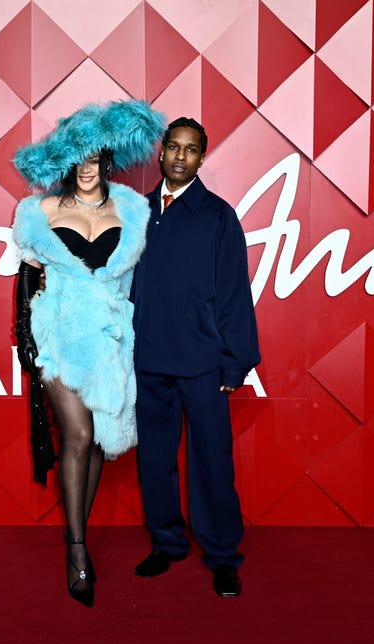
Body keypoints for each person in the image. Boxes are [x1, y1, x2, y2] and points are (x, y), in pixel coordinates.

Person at [11, 100, 165, 608]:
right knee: (76, 434)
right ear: (66, 164)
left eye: (94, 159)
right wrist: (29, 343)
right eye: (77, 160)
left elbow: (137, 281)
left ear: (105, 161)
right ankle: (76, 550)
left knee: (98, 439)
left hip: (109, 338)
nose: (86, 168)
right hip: (57, 335)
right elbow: (28, 278)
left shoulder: (132, 211)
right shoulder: (41, 212)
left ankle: (78, 529)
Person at [130, 117, 260, 598]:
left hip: (204, 362)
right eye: (174, 148)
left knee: (212, 462)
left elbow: (233, 293)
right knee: (156, 460)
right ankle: (166, 543)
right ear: (161, 153)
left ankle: (223, 555)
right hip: (149, 361)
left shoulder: (218, 216)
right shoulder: (137, 213)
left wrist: (234, 360)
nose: (181, 156)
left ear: (202, 158)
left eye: (192, 150)